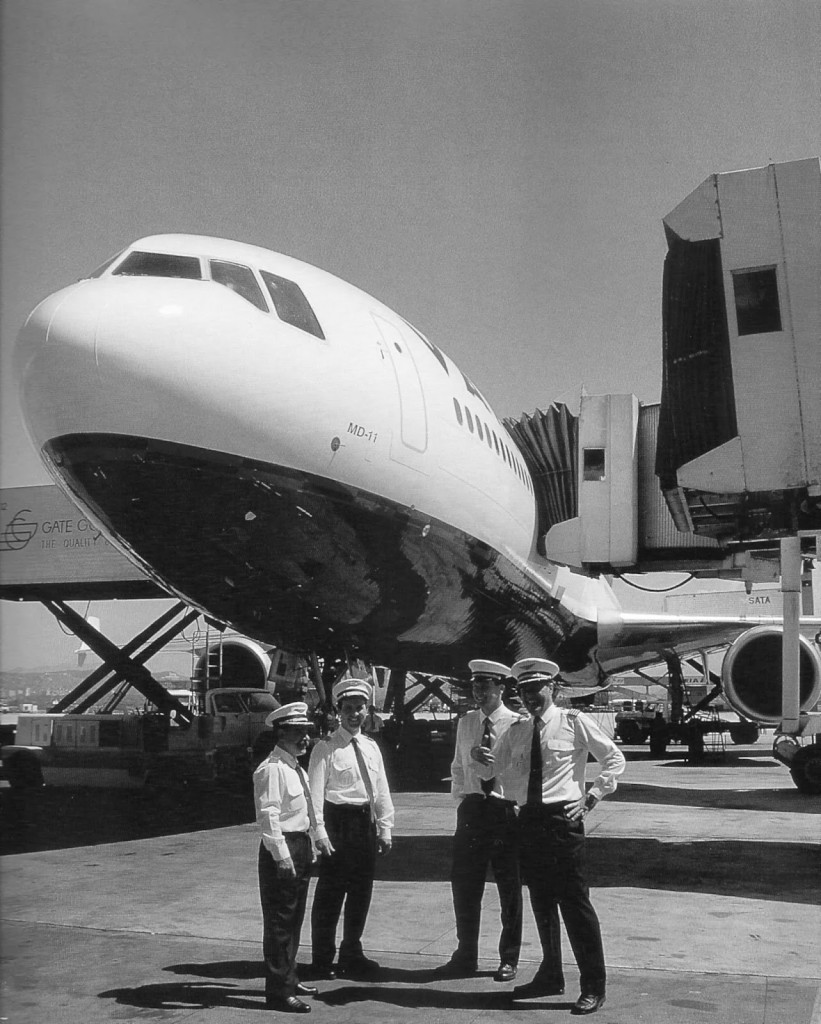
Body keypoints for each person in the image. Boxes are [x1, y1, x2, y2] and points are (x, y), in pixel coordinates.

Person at [478, 658, 625, 1016]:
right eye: (524, 691)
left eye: (537, 689)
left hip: (562, 821)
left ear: (553, 689)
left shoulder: (574, 722)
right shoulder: (517, 730)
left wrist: (591, 798)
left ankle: (593, 985)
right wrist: (479, 758)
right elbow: (492, 769)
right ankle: (550, 974)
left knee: (575, 906)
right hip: (529, 822)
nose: (530, 697)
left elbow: (614, 759)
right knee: (542, 904)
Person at [436, 659, 523, 982]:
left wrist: (499, 773)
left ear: (501, 689)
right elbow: (457, 765)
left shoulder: (518, 724)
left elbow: (522, 772)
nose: (480, 692)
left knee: (509, 887)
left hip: (503, 810)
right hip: (472, 810)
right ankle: (465, 954)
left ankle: (509, 957)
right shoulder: (467, 722)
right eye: (475, 686)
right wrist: (461, 797)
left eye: (486, 686)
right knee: (465, 886)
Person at [307, 677, 394, 978]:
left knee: (360, 892)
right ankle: (321, 959)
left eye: (359, 708)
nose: (354, 714)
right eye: (348, 708)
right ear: (338, 711)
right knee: (331, 895)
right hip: (338, 824)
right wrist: (319, 833)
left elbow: (380, 790)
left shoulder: (371, 747)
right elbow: (314, 795)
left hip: (364, 824)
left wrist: (384, 827)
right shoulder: (326, 748)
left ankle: (352, 953)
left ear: (368, 710)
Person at [253, 702, 333, 1014]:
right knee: (279, 923)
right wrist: (282, 857)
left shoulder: (293, 767)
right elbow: (269, 817)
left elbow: (305, 810)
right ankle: (278, 992)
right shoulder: (272, 769)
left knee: (294, 918)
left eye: (307, 732)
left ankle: (290, 977)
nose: (306, 739)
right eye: (299, 732)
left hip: (298, 845)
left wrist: (314, 840)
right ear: (282, 732)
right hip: (282, 849)